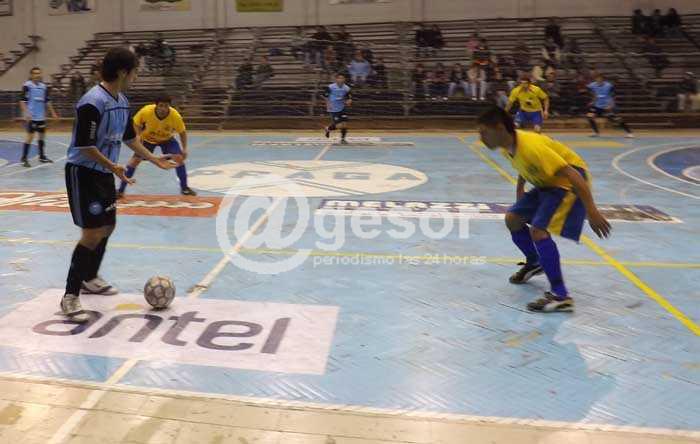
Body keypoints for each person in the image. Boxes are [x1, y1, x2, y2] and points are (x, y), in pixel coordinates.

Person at [61, 47, 174, 322]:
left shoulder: (122, 101)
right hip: (83, 172)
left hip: (104, 173)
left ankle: (90, 278)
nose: (136, 77)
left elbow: (130, 138)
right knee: (92, 233)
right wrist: (113, 166)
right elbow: (84, 145)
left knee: (108, 226)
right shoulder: (92, 102)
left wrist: (153, 159)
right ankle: (70, 295)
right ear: (123, 72)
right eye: (135, 72)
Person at [476, 106, 611, 312]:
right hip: (547, 183)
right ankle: (534, 262)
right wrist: (520, 189)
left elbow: (572, 174)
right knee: (513, 219)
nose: (481, 138)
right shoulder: (508, 146)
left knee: (538, 231)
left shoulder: (532, 147)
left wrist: (592, 211)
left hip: (568, 183)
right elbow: (523, 165)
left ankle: (561, 296)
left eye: (484, 132)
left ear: (500, 128)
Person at [118, 94, 194, 198]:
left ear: (169, 106)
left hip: (167, 139)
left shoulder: (175, 116)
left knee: (179, 158)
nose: (163, 109)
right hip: (147, 139)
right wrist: (138, 135)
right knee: (134, 161)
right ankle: (121, 190)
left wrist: (184, 149)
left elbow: (182, 132)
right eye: (161, 106)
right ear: (156, 105)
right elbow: (136, 123)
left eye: (166, 106)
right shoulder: (146, 111)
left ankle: (185, 188)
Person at [19, 67, 59, 167]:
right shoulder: (27, 86)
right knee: (30, 137)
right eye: (35, 73)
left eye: (38, 73)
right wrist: (26, 113)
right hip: (32, 117)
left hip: (41, 117)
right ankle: (24, 158)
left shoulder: (43, 87)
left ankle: (42, 156)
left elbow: (47, 101)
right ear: (31, 75)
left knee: (42, 136)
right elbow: (22, 101)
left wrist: (53, 113)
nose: (37, 75)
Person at [586, 72, 634, 138]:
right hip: (597, 106)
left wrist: (611, 105)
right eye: (596, 79)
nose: (598, 80)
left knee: (616, 119)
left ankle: (629, 133)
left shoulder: (608, 86)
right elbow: (593, 93)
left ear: (603, 79)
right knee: (589, 116)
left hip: (607, 106)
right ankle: (596, 133)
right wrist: (593, 101)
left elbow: (613, 96)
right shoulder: (592, 85)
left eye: (599, 78)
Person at [323, 73, 352, 144]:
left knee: (344, 124)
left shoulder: (347, 88)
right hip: (333, 108)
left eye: (342, 78)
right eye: (339, 78)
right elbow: (325, 96)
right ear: (336, 79)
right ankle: (328, 128)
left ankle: (343, 139)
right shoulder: (330, 87)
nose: (341, 79)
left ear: (344, 79)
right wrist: (328, 104)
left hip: (342, 107)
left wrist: (349, 101)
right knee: (339, 125)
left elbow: (349, 97)